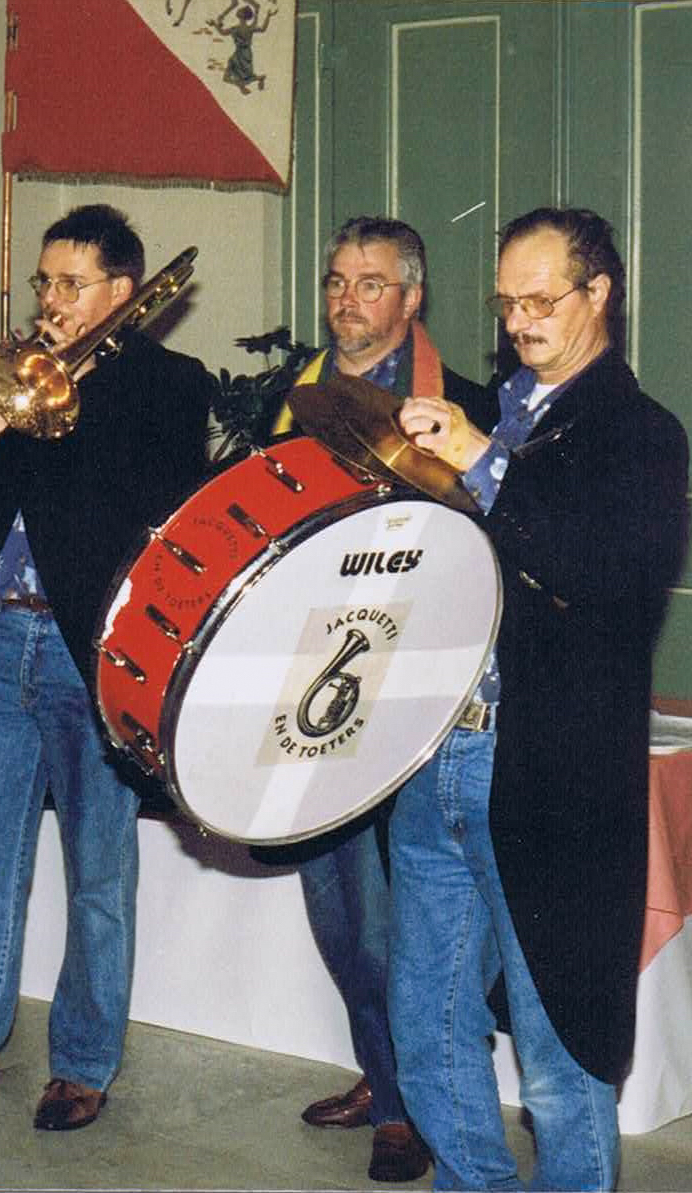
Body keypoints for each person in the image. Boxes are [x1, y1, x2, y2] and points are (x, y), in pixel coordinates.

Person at [0, 205, 214, 1141]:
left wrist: (62, 398)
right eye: (43, 282)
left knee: (98, 876)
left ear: (123, 292)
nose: (50, 300)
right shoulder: (15, 374)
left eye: (71, 284)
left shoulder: (168, 383)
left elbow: (149, 511)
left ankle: (82, 1064)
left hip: (89, 655)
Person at [392, 207, 688, 1189]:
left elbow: (592, 570)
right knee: (424, 1022)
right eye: (504, 302)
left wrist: (478, 458)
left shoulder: (641, 433)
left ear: (598, 293)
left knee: (557, 1048)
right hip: (433, 745)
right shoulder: (490, 409)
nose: (517, 320)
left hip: (547, 766)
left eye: (539, 300)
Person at [276, 216, 493, 1184]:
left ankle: (410, 1101)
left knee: (395, 915)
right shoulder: (294, 399)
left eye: (369, 284)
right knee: (332, 900)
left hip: (412, 684)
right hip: (311, 671)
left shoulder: (469, 406)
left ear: (411, 299)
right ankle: (384, 1072)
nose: (345, 300)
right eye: (335, 281)